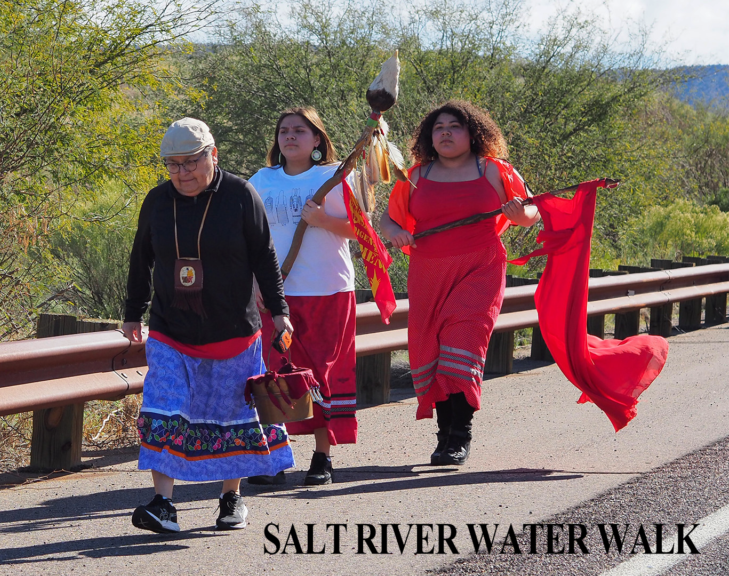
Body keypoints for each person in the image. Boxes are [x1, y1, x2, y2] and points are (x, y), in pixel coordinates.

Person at [123, 117, 295, 533]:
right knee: (162, 407)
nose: (181, 173)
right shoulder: (157, 201)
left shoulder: (240, 195)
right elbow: (140, 258)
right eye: (172, 165)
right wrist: (133, 311)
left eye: (190, 162)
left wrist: (280, 311)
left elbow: (264, 258)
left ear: (212, 155)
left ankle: (231, 498)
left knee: (231, 415)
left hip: (233, 330)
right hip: (170, 329)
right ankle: (163, 503)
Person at [380, 100, 539, 466]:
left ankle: (459, 436)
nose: (446, 132)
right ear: (429, 137)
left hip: (480, 268)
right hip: (428, 273)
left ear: (473, 134)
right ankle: (443, 435)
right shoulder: (415, 176)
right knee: (434, 352)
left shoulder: (496, 170)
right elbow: (388, 221)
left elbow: (532, 210)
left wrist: (520, 214)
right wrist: (398, 233)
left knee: (461, 342)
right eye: (439, 128)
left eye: (455, 126)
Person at [247, 107, 357, 486]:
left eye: (299, 130)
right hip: (275, 296)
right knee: (273, 374)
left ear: (317, 140)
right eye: (283, 131)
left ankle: (322, 457)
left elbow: (363, 231)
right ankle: (273, 456)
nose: (289, 136)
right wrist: (255, 282)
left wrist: (323, 221)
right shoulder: (261, 180)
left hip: (328, 289)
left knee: (322, 374)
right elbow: (246, 239)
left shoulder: (335, 176)